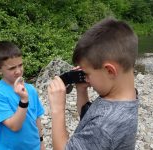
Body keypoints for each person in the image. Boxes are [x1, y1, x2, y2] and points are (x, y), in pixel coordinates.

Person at [48, 18, 139, 150]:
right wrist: (81, 90)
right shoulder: (122, 96)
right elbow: (89, 117)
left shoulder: (103, 126)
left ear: (109, 71)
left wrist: (57, 109)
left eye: (87, 73)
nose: (87, 79)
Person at [0, 41, 45, 150]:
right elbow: (15, 126)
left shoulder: (31, 89)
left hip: (34, 146)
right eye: (12, 68)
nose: (18, 71)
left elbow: (37, 118)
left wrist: (41, 142)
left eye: (20, 65)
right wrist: (23, 100)